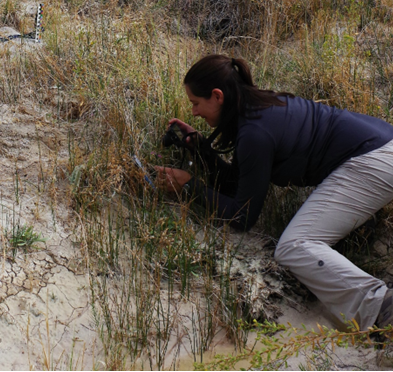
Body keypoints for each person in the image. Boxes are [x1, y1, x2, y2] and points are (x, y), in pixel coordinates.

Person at [154, 54, 393, 332]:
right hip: (381, 145)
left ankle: (383, 307)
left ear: (217, 96)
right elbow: (241, 182)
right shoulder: (259, 108)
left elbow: (242, 216)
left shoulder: (254, 132)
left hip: (373, 162)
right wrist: (202, 149)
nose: (194, 111)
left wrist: (189, 186)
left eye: (196, 103)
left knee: (293, 247)